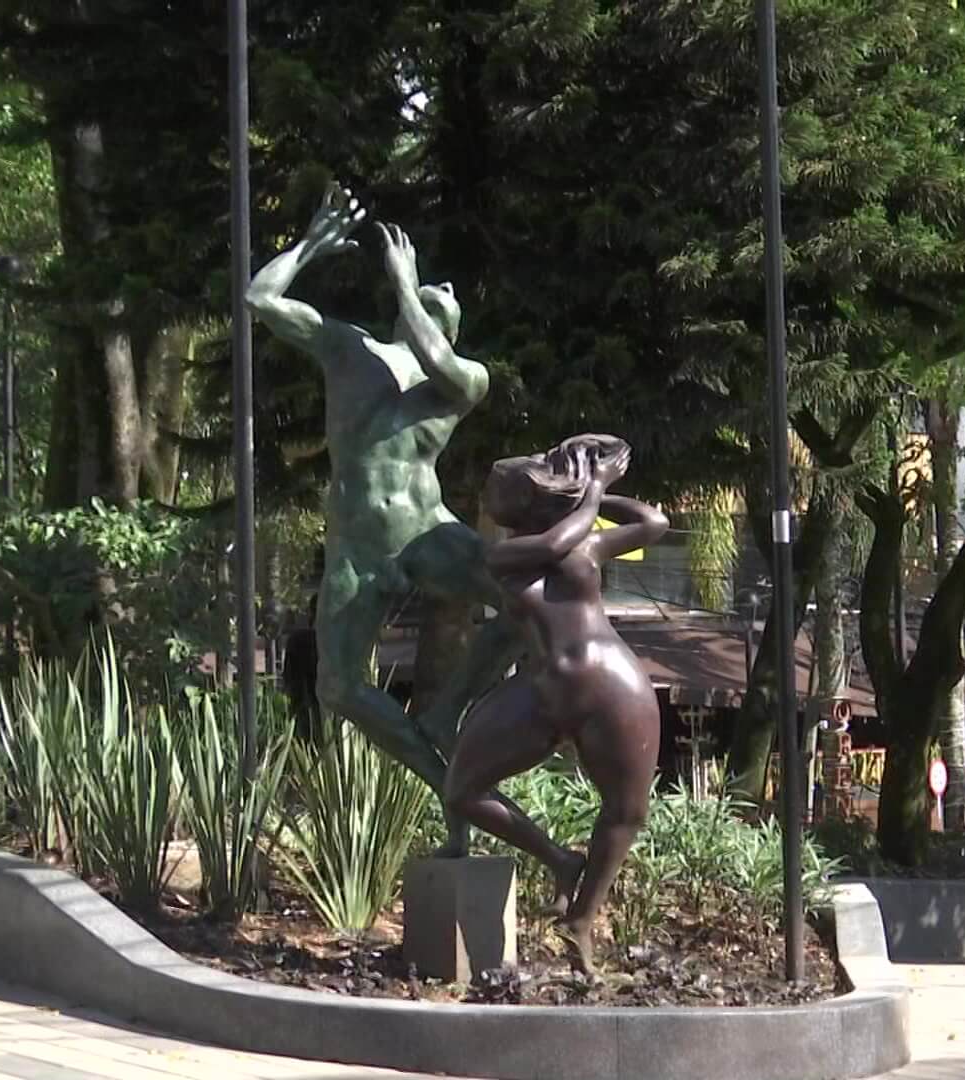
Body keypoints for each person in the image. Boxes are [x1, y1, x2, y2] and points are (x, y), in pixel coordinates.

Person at [245, 183, 524, 854]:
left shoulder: (464, 378)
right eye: (433, 287)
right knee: (338, 687)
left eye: (447, 294)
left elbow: (437, 359)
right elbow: (260, 299)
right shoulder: (350, 352)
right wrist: (310, 244)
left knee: (529, 601)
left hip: (429, 534)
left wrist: (406, 284)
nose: (444, 283)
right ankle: (444, 778)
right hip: (357, 545)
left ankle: (445, 707)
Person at [444, 435, 668, 974]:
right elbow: (553, 546)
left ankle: (581, 920)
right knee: (462, 791)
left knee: (627, 810)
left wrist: (595, 489)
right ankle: (560, 861)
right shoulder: (506, 553)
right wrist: (590, 493)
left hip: (611, 684)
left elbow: (654, 523)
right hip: (542, 691)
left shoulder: (587, 543)